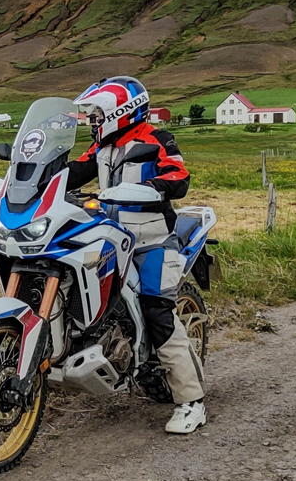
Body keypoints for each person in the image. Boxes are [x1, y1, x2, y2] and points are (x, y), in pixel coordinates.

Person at [66, 76, 206, 434]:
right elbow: (71, 173)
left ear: (121, 111)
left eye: (98, 113)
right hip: (112, 238)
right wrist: (30, 177)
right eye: (91, 115)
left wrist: (150, 187)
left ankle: (191, 402)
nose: (93, 120)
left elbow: (179, 176)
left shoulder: (155, 140)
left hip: (154, 240)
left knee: (156, 308)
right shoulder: (102, 147)